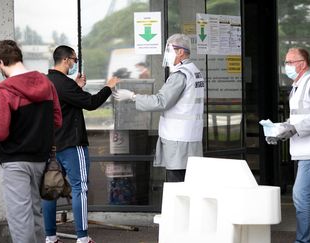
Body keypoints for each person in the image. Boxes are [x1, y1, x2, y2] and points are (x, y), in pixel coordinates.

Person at [42, 45, 119, 243]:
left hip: (50, 146)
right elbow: (92, 103)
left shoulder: (45, 81)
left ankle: (50, 237)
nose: (75, 64)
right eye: (75, 60)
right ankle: (82, 238)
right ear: (66, 60)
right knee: (80, 188)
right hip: (71, 145)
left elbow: (64, 101)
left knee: (50, 190)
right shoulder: (64, 83)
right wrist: (109, 87)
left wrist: (76, 87)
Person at [0, 40, 62, 243]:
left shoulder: (4, 90)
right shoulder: (46, 83)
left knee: (20, 218)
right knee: (35, 214)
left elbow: (0, 132)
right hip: (40, 158)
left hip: (14, 161)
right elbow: (56, 120)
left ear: (2, 61)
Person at [266, 48, 310, 243]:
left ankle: (302, 240)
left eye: (290, 62)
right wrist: (280, 130)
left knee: (301, 197)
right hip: (309, 150)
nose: (286, 66)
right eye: (286, 62)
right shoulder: (299, 85)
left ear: (302, 63)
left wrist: (294, 128)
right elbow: (299, 118)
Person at [113, 34, 204, 182]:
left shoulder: (180, 75)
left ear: (180, 52)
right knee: (188, 182)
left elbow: (161, 101)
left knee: (177, 184)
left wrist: (133, 96)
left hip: (178, 138)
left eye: (168, 49)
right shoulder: (194, 71)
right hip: (191, 135)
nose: (166, 53)